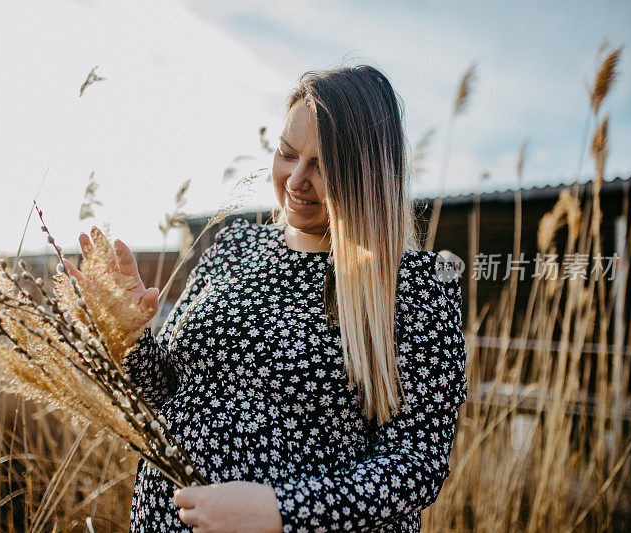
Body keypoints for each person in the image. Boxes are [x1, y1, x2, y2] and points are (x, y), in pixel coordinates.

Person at [65, 64, 468, 532]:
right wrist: (127, 330)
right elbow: (168, 391)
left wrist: (283, 510)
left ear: (367, 175)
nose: (296, 179)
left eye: (322, 165)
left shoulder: (416, 287)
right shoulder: (237, 245)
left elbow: (416, 465)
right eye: (287, 153)